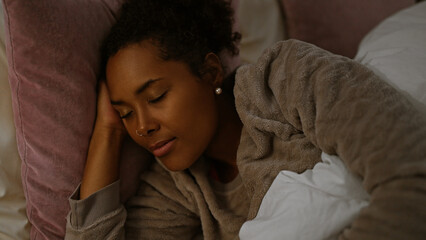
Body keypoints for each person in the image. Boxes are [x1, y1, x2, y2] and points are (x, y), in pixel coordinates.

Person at [65, 0, 426, 239]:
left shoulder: (284, 80)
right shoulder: (178, 186)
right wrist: (107, 133)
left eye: (156, 97)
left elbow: (412, 175)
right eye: (126, 112)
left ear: (210, 72)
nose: (142, 126)